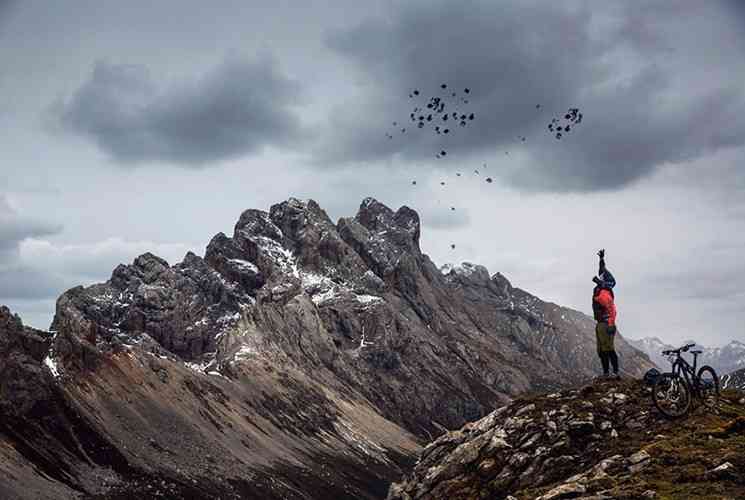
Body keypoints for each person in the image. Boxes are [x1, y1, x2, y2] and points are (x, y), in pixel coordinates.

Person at [592, 249, 619, 379]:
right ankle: (606, 373)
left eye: (602, 277)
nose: (600, 275)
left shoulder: (605, 292)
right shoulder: (601, 288)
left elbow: (611, 308)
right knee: (602, 350)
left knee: (608, 349)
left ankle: (614, 373)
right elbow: (602, 270)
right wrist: (601, 259)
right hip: (601, 323)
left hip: (606, 323)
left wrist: (611, 324)